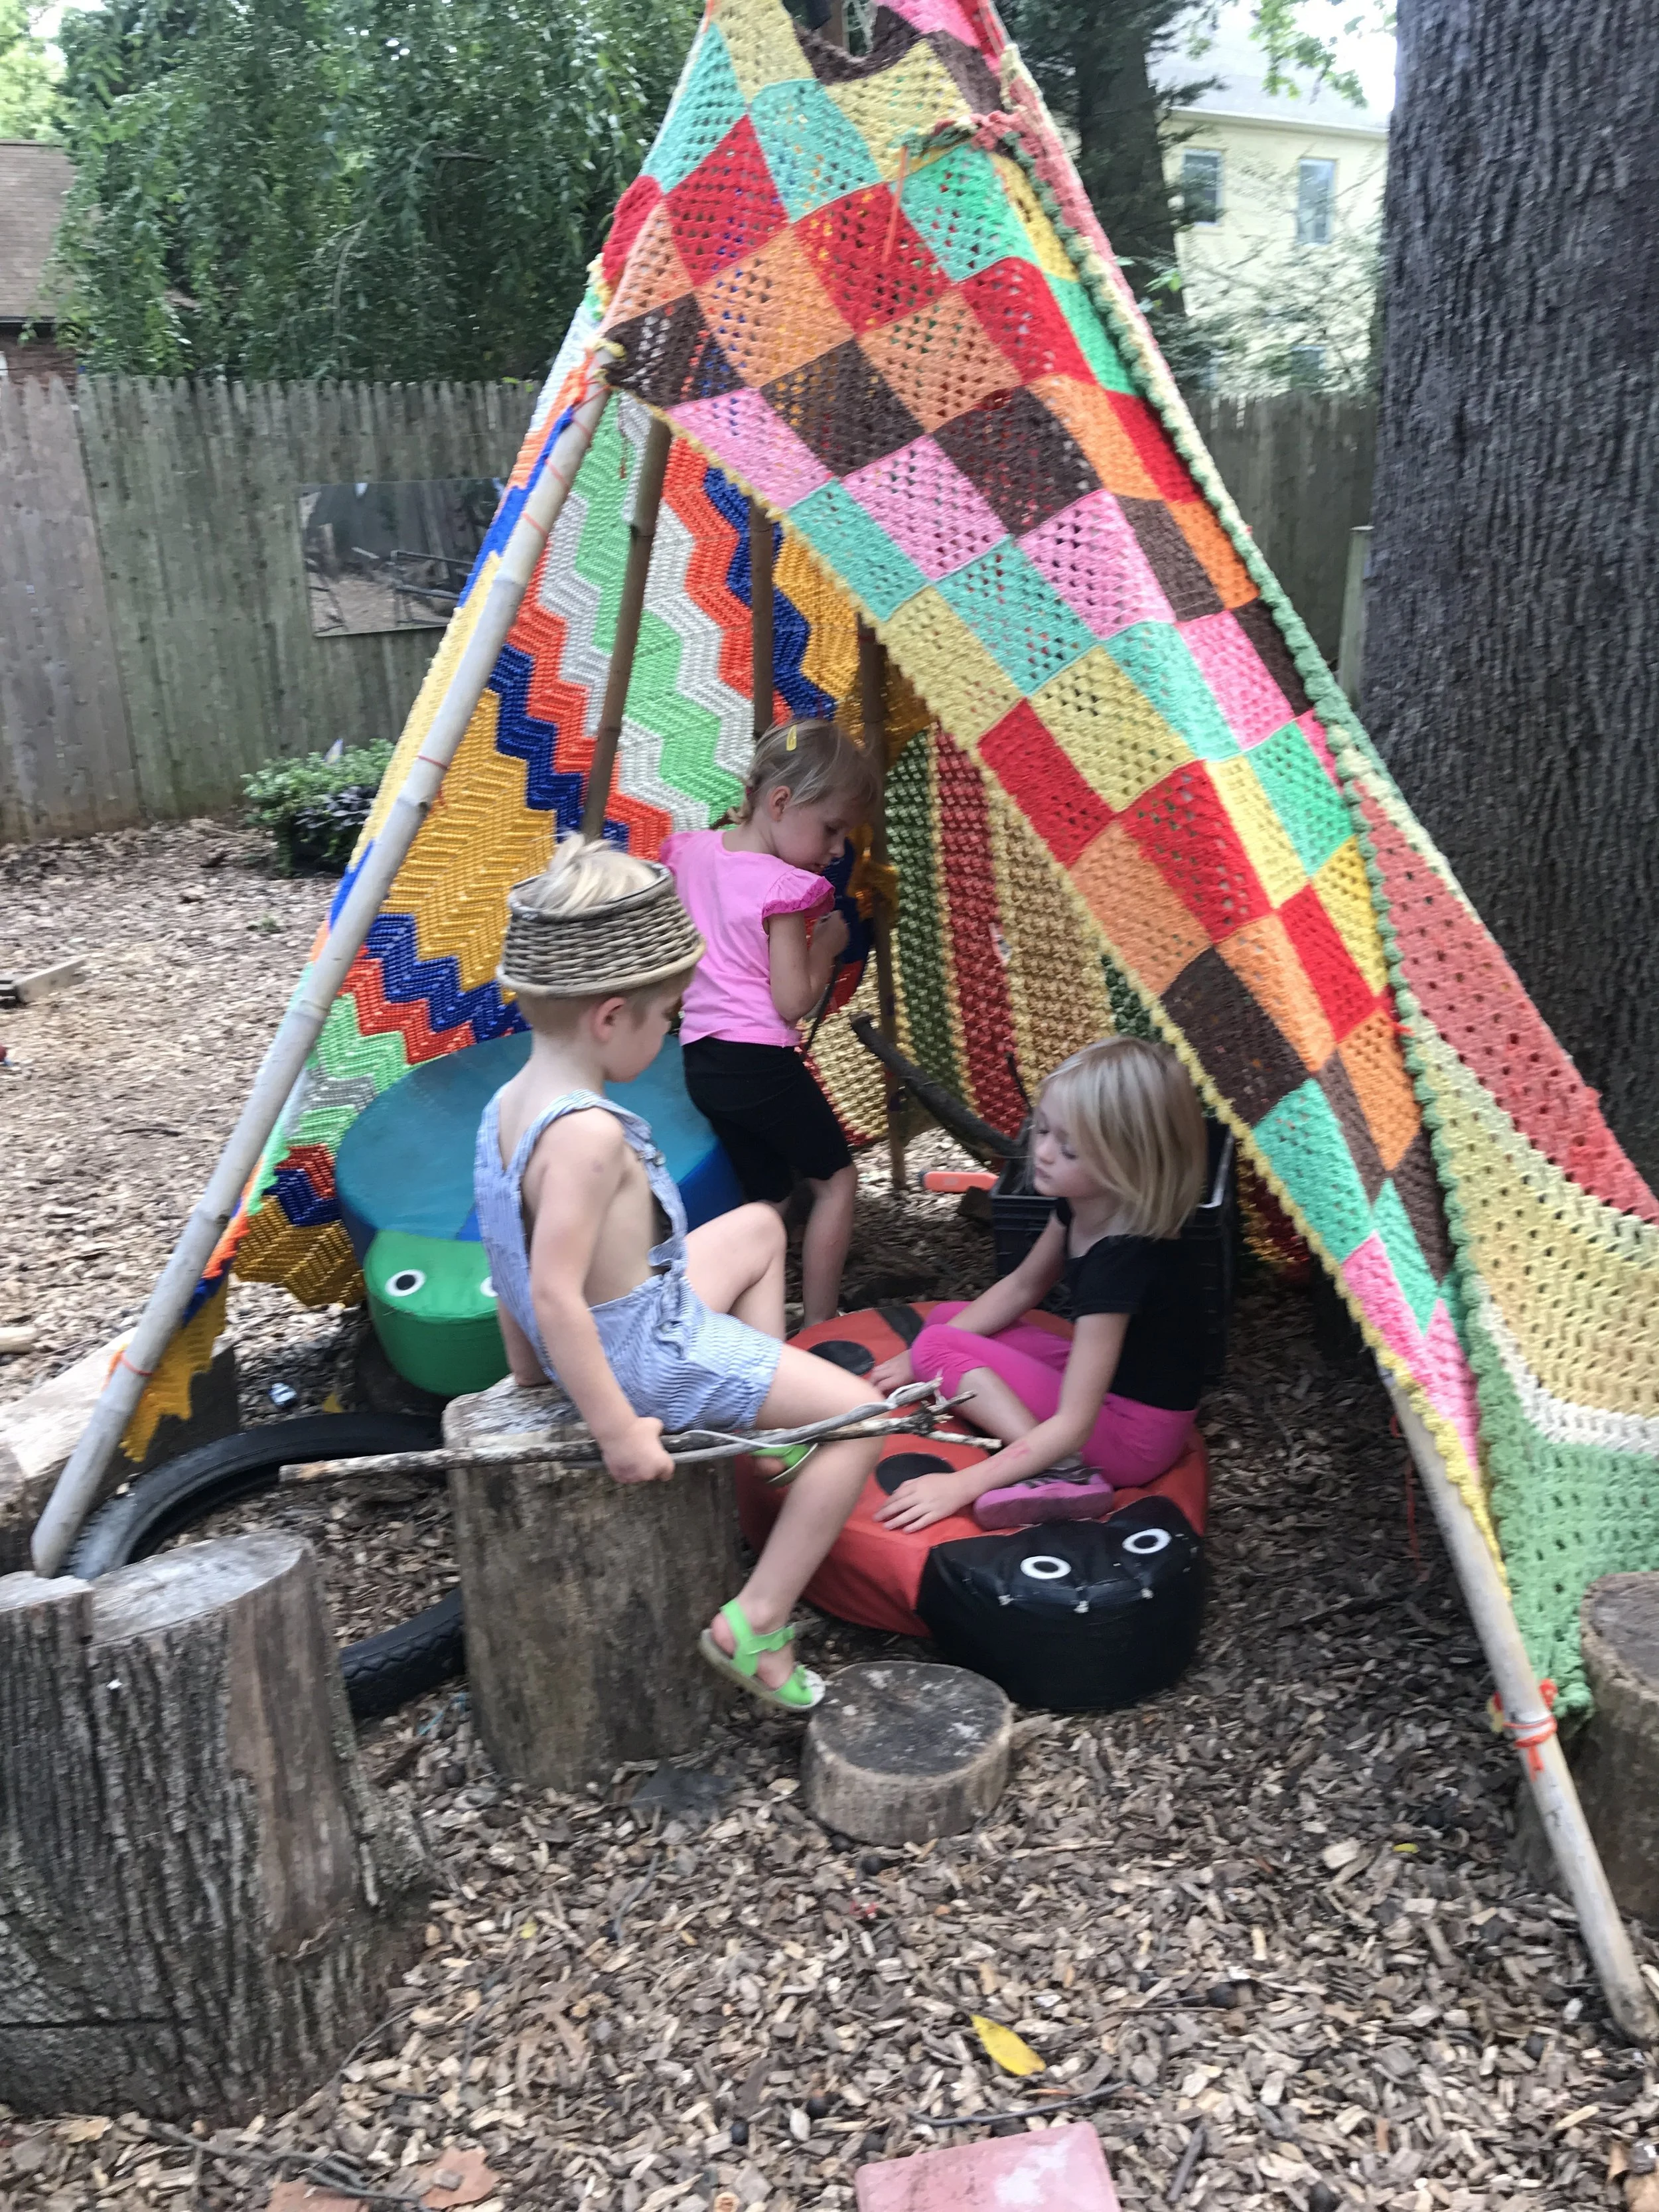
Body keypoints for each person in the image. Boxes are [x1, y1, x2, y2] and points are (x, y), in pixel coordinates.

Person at [473, 836, 887, 1711]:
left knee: (758, 1227)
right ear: (611, 1015)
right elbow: (552, 1287)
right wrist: (620, 1431)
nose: (670, 1035)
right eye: (666, 1016)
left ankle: (768, 1431)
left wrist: (525, 1365)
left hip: (630, 1313)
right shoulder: (586, 1136)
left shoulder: (507, 1103)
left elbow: (503, 1238)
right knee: (864, 1418)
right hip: (645, 1353)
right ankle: (758, 1622)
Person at [867, 1038, 1208, 1533]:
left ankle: (1065, 1473)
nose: (1043, 1152)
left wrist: (965, 1485)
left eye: (1069, 1148)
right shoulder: (1085, 1201)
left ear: (1128, 1162)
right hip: (1115, 1394)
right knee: (943, 1327)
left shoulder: (1122, 1259)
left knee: (940, 1342)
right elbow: (1024, 1285)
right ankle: (1048, 1452)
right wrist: (918, 1355)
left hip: (1134, 1439)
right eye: (1043, 1129)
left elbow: (1075, 1422)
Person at [663, 719, 883, 1326]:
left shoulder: (695, 853)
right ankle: (821, 1325)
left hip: (702, 1059)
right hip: (758, 1060)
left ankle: (728, 1318)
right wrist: (829, 945)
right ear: (781, 802)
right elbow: (793, 1002)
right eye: (833, 829)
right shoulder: (784, 888)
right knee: (836, 1181)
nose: (838, 850)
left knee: (770, 1198)